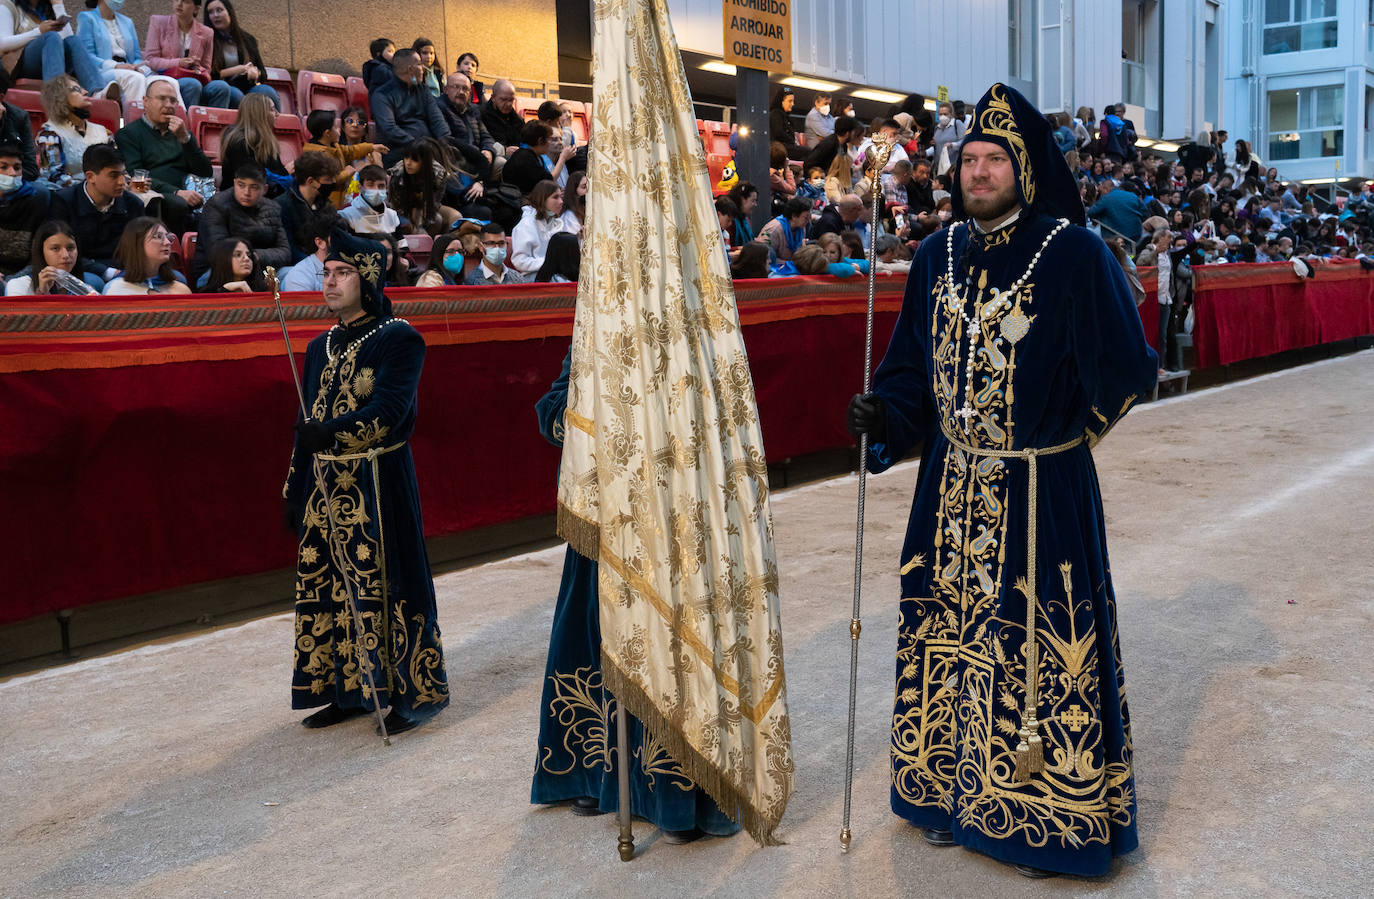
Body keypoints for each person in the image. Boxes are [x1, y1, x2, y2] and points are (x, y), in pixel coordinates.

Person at [845, 82, 1154, 880]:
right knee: (946, 637)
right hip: (947, 488)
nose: (978, 172)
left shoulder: (1074, 253)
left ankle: (1044, 815)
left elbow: (1128, 367)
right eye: (969, 160)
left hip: (1041, 491)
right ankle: (949, 796)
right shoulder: (934, 255)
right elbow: (910, 370)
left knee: (1039, 644)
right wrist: (886, 415)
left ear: (1025, 168)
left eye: (994, 160)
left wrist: (1066, 440)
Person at [529, 344, 738, 843]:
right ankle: (593, 768)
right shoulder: (593, 328)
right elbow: (551, 406)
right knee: (591, 631)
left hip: (669, 515)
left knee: (664, 640)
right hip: (602, 513)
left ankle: (675, 789)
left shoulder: (686, 324)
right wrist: (591, 417)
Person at [283, 227, 451, 736]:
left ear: (369, 279)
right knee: (333, 587)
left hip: (379, 481)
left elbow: (390, 412)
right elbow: (306, 421)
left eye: (343, 273)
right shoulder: (319, 345)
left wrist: (330, 433)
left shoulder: (399, 338)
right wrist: (296, 487)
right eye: (327, 273)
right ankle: (349, 690)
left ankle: (409, 694)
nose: (330, 282)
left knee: (389, 585)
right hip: (326, 488)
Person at [113, 76, 212, 234]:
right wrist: (176, 192)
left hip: (188, 191)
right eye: (162, 99)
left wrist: (185, 140)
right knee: (177, 203)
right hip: (154, 193)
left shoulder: (182, 133)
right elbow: (136, 176)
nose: (168, 105)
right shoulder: (128, 134)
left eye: (173, 101)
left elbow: (206, 172)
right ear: (145, 101)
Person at [45, 142, 143, 279]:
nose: (122, 182)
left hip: (123, 270)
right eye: (114, 175)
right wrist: (106, 272)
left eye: (123, 174)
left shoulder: (133, 204)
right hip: (77, 269)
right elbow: (59, 252)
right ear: (90, 176)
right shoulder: (63, 202)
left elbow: (139, 249)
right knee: (93, 280)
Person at [193, 159, 288, 280]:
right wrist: (247, 258)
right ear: (234, 183)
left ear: (264, 189)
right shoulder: (216, 205)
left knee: (289, 274)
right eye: (241, 185)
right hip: (218, 271)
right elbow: (217, 251)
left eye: (254, 187)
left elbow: (285, 252)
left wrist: (254, 256)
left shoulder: (273, 208)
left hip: (260, 267)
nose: (246, 192)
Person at [143, 0, 234, 109]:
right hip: (166, 77)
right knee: (192, 84)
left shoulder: (207, 32)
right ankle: (187, 120)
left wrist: (196, 67)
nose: (179, 4)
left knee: (221, 87)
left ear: (196, 8)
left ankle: (214, 120)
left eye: (185, 1)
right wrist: (178, 62)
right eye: (176, 0)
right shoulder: (159, 22)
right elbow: (150, 59)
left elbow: (206, 68)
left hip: (194, 78)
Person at [371, 47, 449, 168]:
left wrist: (445, 140)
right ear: (410, 69)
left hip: (429, 149)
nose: (423, 68)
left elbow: (437, 119)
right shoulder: (382, 95)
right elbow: (390, 129)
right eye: (419, 64)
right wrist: (418, 145)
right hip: (400, 152)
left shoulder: (422, 89)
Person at [37, 74, 111, 185]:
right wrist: (92, 188)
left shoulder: (104, 132)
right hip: (70, 193)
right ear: (60, 99)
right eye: (76, 90)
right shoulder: (50, 134)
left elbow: (117, 167)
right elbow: (53, 176)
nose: (85, 92)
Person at [203, 0, 278, 109]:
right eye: (210, 12)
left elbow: (263, 73)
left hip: (247, 87)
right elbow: (208, 74)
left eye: (219, 10)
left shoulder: (247, 39)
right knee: (236, 95)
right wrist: (238, 69)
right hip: (222, 87)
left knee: (267, 92)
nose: (215, 15)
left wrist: (255, 72)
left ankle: (277, 120)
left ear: (229, 12)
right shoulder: (207, 39)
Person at [74, 0, 153, 104]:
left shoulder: (127, 21)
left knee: (165, 81)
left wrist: (138, 68)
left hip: (130, 69)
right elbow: (86, 55)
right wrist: (116, 66)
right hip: (102, 71)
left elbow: (137, 56)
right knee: (135, 79)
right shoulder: (87, 18)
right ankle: (134, 114)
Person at [302, 109, 384, 208]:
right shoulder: (316, 155)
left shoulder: (334, 146)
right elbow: (326, 183)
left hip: (340, 200)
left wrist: (372, 147)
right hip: (327, 205)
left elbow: (350, 151)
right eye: (336, 127)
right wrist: (346, 173)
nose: (339, 130)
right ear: (327, 133)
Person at [216, 92, 287, 192]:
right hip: (241, 198)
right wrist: (286, 175)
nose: (277, 114)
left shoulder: (266, 140)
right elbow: (254, 181)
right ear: (259, 114)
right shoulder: (240, 143)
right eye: (272, 109)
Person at [276, 149, 339, 262]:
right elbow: (289, 249)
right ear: (311, 181)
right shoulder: (283, 206)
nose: (333, 182)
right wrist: (317, 262)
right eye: (328, 179)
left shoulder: (324, 202)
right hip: (299, 264)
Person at [4, 219, 98, 294]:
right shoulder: (19, 286)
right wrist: (43, 293)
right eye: (55, 248)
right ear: (41, 252)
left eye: (70, 248)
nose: (65, 255)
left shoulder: (91, 284)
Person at [388, 138, 457, 236]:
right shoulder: (398, 173)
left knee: (451, 218)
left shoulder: (439, 174)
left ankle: (439, 243)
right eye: (406, 157)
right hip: (402, 206)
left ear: (424, 162)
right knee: (420, 224)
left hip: (428, 205)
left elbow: (435, 202)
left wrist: (422, 216)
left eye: (414, 160)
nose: (408, 163)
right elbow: (394, 203)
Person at [103, 215, 190, 293]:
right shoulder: (116, 289)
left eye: (169, 237)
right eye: (158, 237)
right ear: (137, 243)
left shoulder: (181, 289)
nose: (167, 242)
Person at [0, 141, 49, 274]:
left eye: (17, 168)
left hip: (25, 275)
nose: (12, 173)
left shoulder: (37, 200)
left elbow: (39, 255)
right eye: (3, 167)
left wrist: (15, 280)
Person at [510, 179, 579, 274]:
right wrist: (550, 263)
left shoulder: (557, 223)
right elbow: (520, 261)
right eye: (555, 197)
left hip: (556, 275)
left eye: (561, 197)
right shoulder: (526, 225)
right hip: (534, 277)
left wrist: (579, 239)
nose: (561, 201)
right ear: (542, 199)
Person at [438, 71, 493, 182]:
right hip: (457, 156)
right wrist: (477, 156)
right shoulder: (439, 107)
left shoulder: (474, 110)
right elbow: (447, 139)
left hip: (479, 156)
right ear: (446, 89)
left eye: (465, 89)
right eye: (456, 87)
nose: (461, 92)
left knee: (501, 161)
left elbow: (486, 136)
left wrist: (488, 150)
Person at [338, 163, 400, 236]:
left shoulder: (392, 215)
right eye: (370, 185)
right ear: (360, 187)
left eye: (381, 186)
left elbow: (401, 242)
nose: (376, 190)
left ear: (386, 188)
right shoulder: (346, 215)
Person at [278, 212, 334, 291]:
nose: (345, 242)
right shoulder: (299, 276)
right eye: (338, 237)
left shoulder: (349, 268)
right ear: (320, 243)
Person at [0, 69, 39, 181]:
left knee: (41, 189)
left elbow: (31, 170)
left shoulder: (19, 117)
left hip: (12, 183)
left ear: (1, 98)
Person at [464, 221, 529, 285]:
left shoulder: (517, 279)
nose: (497, 247)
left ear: (506, 245)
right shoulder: (472, 282)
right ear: (481, 247)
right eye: (491, 243)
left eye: (501, 243)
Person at [1088, 179, 1148, 243]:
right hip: (1136, 234)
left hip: (1115, 236)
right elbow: (1145, 212)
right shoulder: (1132, 195)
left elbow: (1091, 212)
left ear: (1105, 189)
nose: (1100, 194)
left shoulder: (1106, 198)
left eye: (1101, 191)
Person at [803, 114, 858, 178]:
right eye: (854, 132)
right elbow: (808, 164)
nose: (855, 135)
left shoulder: (843, 145)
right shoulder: (828, 144)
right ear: (847, 134)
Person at [758, 196, 810, 263]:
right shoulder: (773, 230)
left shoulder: (801, 228)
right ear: (794, 216)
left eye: (809, 217)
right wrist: (789, 263)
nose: (808, 221)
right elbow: (762, 257)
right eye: (805, 218)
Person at [480, 78, 522, 157]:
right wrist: (504, 150)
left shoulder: (518, 120)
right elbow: (483, 141)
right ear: (493, 98)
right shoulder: (481, 115)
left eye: (511, 100)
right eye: (504, 99)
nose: (508, 104)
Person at [768, 85, 799, 160]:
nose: (792, 104)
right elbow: (778, 133)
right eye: (790, 101)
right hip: (779, 148)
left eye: (793, 101)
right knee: (808, 152)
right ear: (781, 101)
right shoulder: (775, 114)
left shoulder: (785, 116)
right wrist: (792, 141)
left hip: (786, 146)